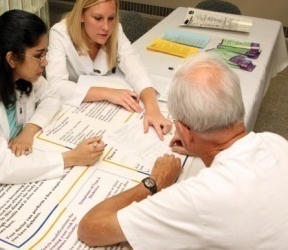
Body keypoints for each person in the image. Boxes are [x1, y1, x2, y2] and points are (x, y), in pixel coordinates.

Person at [77, 53, 288, 249]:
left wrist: (155, 182)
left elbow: (90, 229)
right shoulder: (276, 142)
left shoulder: (198, 197)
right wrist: (201, 148)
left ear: (186, 132)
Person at [0, 9, 105, 185]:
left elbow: (52, 96)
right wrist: (71, 157)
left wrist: (29, 130)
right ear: (12, 59)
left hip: (21, 166)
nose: (45, 62)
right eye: (38, 55)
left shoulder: (21, 76)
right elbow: (1, 168)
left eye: (44, 53)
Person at [46, 0, 171, 140]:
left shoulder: (115, 30)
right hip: (74, 112)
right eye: (98, 18)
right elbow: (55, 86)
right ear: (82, 15)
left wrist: (152, 108)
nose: (106, 27)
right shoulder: (60, 33)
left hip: (104, 115)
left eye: (111, 18)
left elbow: (135, 67)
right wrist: (107, 93)